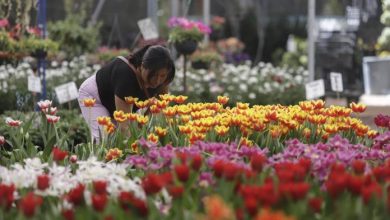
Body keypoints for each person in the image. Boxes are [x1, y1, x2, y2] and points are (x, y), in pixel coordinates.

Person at [78, 44, 175, 141]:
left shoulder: (163, 80)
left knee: (129, 135)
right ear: (142, 66)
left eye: (162, 76)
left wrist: (143, 131)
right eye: (153, 75)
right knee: (104, 139)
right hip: (95, 97)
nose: (157, 81)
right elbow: (124, 126)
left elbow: (157, 112)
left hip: (117, 101)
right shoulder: (126, 77)